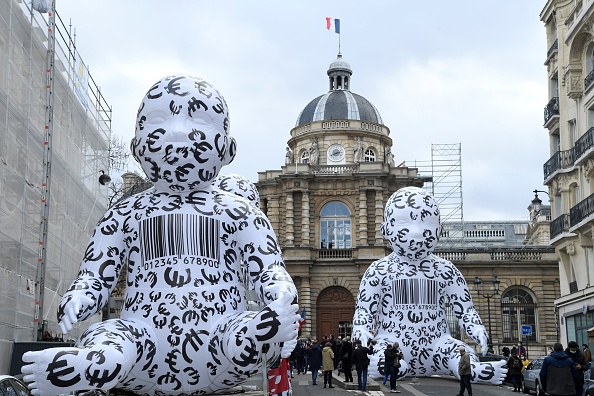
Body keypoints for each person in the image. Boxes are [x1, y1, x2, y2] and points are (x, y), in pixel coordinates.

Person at [21, 74, 301, 396]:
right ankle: (98, 362)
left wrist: (280, 297)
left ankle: (256, 334)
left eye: (199, 119)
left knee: (238, 334)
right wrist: (80, 296)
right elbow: (97, 273)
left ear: (228, 150)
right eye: (158, 119)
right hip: (143, 337)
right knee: (113, 335)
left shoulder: (240, 212)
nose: (178, 131)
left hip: (219, 337)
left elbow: (268, 269)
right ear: (137, 147)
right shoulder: (127, 213)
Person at [352, 187, 508, 384]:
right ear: (385, 230)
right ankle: (392, 366)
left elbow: (465, 310)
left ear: (439, 230)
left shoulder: (445, 270)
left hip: (438, 345)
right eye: (403, 222)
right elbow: (364, 311)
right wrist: (362, 332)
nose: (416, 232)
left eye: (426, 222)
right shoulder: (378, 270)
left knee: (460, 351)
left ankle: (468, 369)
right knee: (382, 352)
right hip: (393, 345)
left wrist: (475, 328)